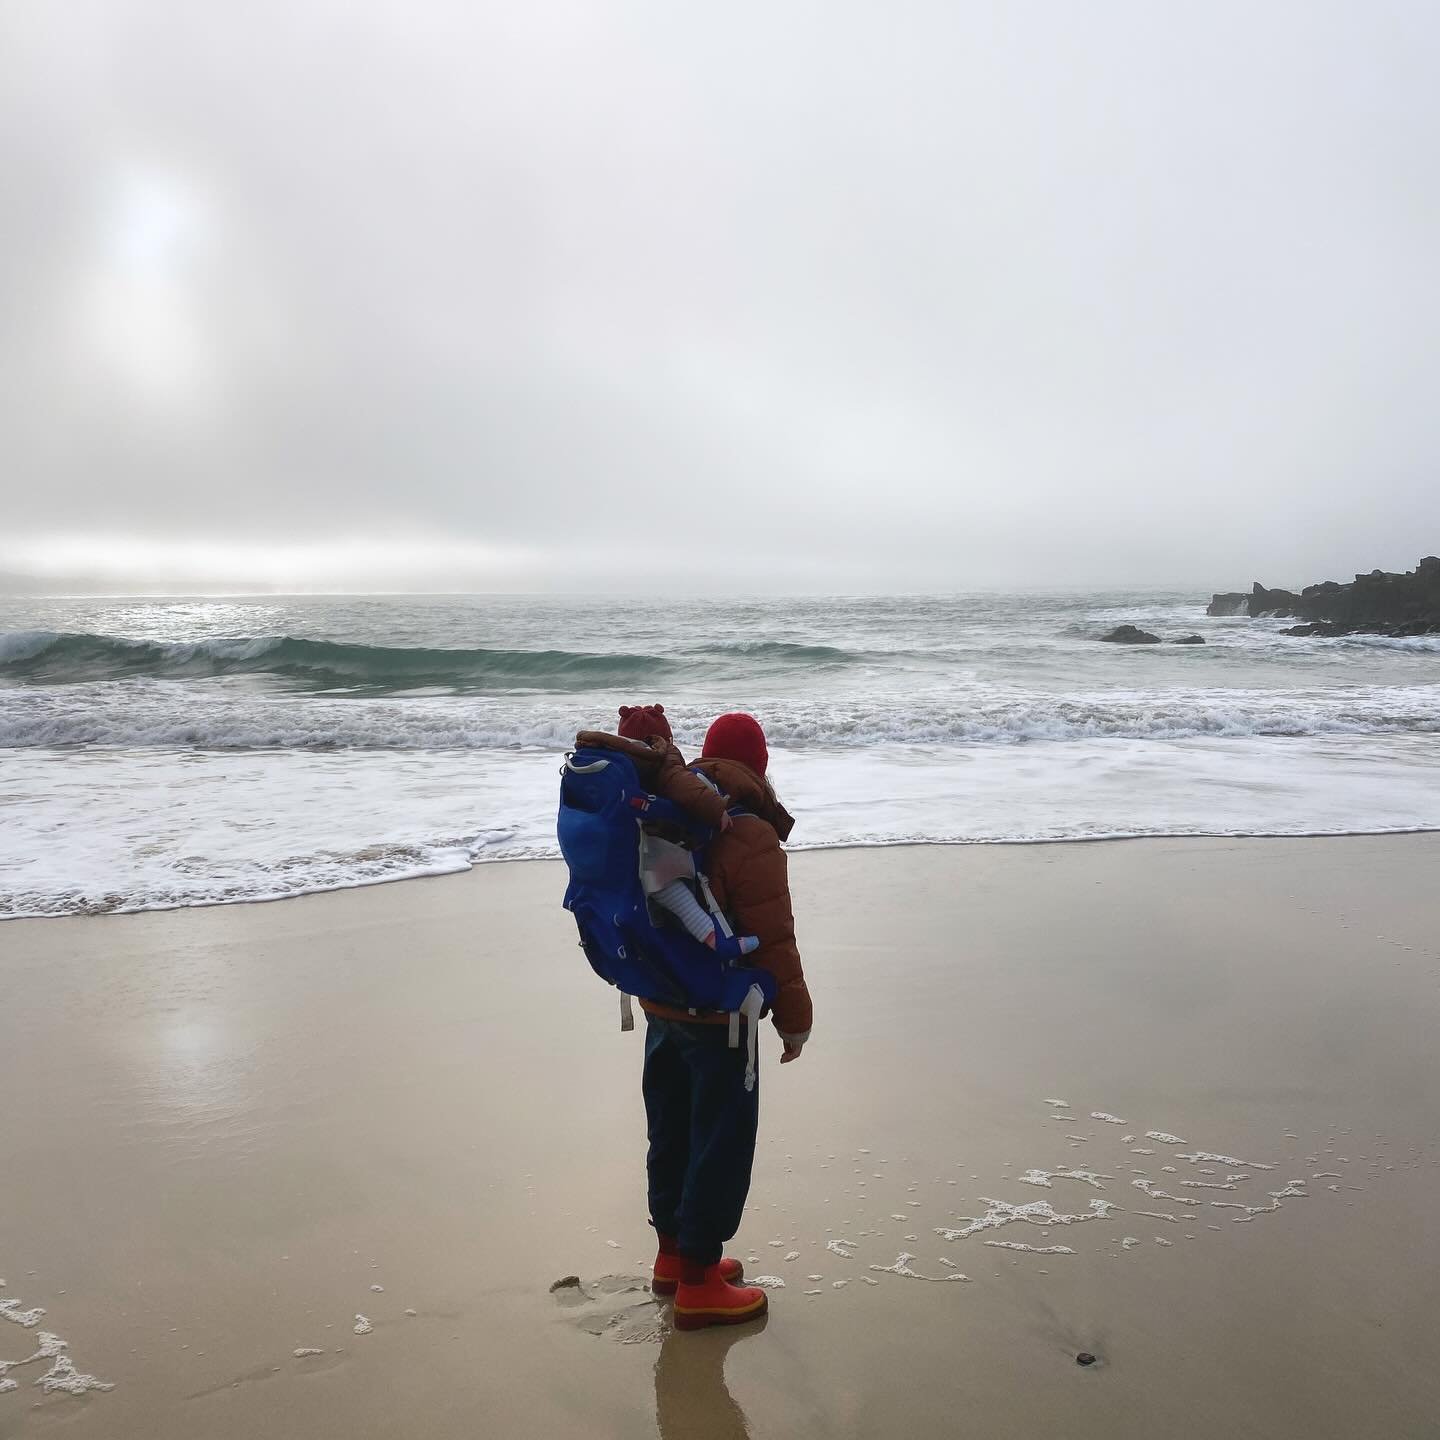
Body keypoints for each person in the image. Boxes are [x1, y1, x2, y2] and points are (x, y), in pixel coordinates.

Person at [638, 712, 812, 1331]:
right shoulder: (750, 834)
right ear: (760, 767)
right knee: (719, 1141)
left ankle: (671, 1255)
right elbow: (775, 943)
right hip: (722, 1021)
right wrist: (795, 1020)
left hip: (659, 1006)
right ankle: (701, 1282)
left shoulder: (662, 809)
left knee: (672, 1130)